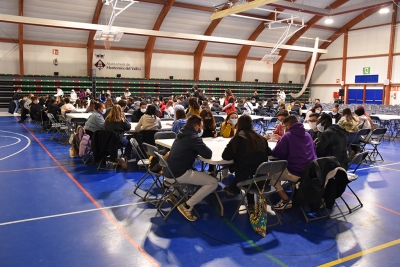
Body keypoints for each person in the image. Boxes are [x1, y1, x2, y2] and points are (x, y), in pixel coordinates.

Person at [163, 115, 218, 222]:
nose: (202, 129)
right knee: (213, 182)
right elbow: (208, 154)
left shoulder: (182, 133)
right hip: (179, 173)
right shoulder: (193, 137)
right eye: (201, 127)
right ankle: (188, 206)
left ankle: (175, 195)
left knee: (195, 172)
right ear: (197, 127)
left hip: (169, 172)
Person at [222, 115, 271, 207]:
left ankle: (238, 193)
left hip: (247, 180)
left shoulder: (237, 140)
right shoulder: (261, 139)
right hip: (264, 180)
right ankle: (249, 202)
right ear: (251, 124)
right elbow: (269, 152)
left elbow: (226, 156)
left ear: (238, 125)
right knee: (251, 167)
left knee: (245, 168)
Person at [270, 115, 317, 210]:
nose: (283, 129)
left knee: (272, 176)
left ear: (288, 126)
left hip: (296, 172)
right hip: (311, 171)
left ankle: (286, 200)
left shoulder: (288, 135)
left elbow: (277, 153)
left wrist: (280, 141)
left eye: (283, 127)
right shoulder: (307, 134)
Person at [104, 105, 132, 169]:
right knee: (130, 142)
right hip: (118, 141)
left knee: (115, 141)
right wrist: (125, 119)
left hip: (107, 141)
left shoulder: (107, 120)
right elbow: (128, 127)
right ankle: (125, 156)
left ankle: (115, 160)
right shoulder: (121, 120)